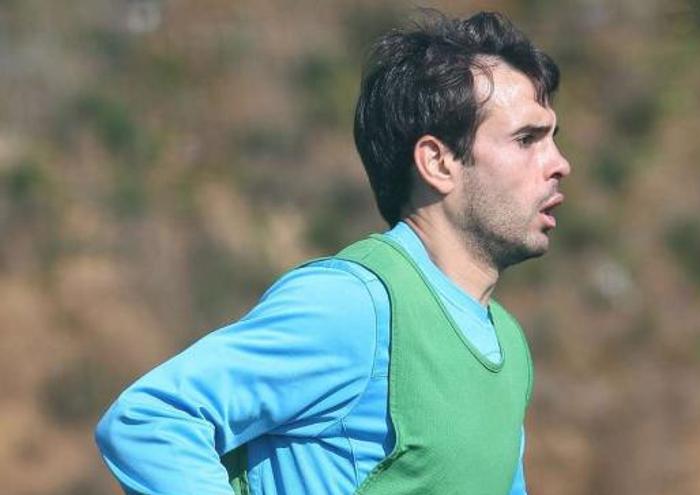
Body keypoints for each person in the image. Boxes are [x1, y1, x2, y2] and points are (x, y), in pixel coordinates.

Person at [95, 10, 569, 495]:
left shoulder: (508, 345)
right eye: (527, 139)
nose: (560, 164)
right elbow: (150, 420)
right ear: (438, 162)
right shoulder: (353, 307)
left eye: (553, 138)